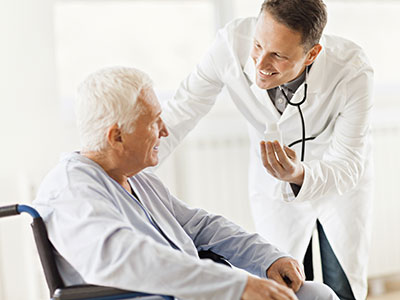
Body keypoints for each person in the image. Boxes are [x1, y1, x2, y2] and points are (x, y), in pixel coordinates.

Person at [33, 67, 338, 300]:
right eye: (153, 121)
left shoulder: (135, 178)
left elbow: (201, 226)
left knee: (316, 294)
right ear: (117, 136)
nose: (164, 131)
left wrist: (266, 257)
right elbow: (131, 259)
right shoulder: (71, 192)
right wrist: (238, 286)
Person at [158, 1, 374, 299]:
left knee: (342, 284)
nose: (259, 65)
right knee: (290, 283)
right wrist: (128, 167)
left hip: (337, 184)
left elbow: (348, 163)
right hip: (275, 187)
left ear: (312, 54)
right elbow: (181, 111)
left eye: (278, 55)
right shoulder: (230, 45)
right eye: (258, 44)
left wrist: (299, 173)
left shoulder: (352, 70)